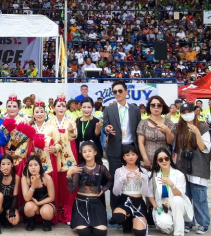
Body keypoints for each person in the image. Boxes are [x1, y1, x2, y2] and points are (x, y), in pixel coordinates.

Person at [103, 80, 141, 212]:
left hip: (130, 148)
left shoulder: (135, 109)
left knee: (131, 179)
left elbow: (138, 129)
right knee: (115, 180)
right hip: (114, 149)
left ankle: (131, 208)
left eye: (120, 91)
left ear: (126, 92)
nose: (117, 94)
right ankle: (116, 210)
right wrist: (107, 129)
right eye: (115, 92)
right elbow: (104, 127)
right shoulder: (108, 109)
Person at [173, 102, 211, 234]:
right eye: (183, 113)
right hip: (183, 167)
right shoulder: (180, 127)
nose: (186, 115)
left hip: (198, 167)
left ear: (194, 112)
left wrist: (197, 133)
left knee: (200, 198)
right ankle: (189, 222)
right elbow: (177, 149)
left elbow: (204, 148)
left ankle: (203, 223)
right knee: (186, 197)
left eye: (188, 112)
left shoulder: (203, 128)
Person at [66, 141, 112, 236]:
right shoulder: (79, 168)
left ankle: (93, 224)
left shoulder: (101, 168)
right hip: (81, 203)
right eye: (84, 152)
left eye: (89, 151)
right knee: (84, 234)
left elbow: (110, 180)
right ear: (82, 154)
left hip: (96, 203)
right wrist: (69, 175)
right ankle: (86, 224)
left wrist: (103, 189)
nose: (87, 153)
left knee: (101, 234)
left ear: (95, 152)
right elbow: (71, 190)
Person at [44, 94, 77, 224]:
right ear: (54, 107)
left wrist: (70, 131)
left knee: (68, 186)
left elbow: (74, 136)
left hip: (68, 155)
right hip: (54, 156)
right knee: (56, 186)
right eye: (59, 105)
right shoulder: (49, 122)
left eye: (63, 105)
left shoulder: (71, 120)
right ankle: (55, 212)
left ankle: (68, 214)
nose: (61, 108)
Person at [149, 147, 194, 236]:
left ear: (170, 159)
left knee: (176, 200)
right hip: (162, 206)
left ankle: (179, 233)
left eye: (166, 158)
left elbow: (180, 194)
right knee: (165, 226)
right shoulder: (154, 175)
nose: (164, 161)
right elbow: (149, 194)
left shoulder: (179, 174)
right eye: (160, 160)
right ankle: (171, 223)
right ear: (157, 162)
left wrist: (171, 185)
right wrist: (156, 206)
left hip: (178, 204)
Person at [110, 144, 151, 236]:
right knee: (118, 217)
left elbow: (145, 193)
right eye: (127, 155)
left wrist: (144, 180)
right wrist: (122, 179)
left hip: (139, 202)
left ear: (137, 156)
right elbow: (115, 192)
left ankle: (132, 219)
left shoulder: (143, 171)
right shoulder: (119, 171)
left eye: (133, 154)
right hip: (124, 201)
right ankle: (127, 218)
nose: (131, 157)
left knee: (140, 233)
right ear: (123, 157)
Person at [137, 95, 176, 166]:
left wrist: (167, 131)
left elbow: (170, 142)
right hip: (147, 160)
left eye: (159, 105)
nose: (156, 107)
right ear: (149, 107)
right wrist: (145, 159)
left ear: (162, 107)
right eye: (153, 105)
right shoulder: (143, 123)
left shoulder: (169, 123)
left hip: (164, 160)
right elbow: (140, 143)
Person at [21, 155, 55, 231]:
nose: (33, 167)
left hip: (46, 202)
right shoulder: (24, 178)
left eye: (36, 165)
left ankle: (47, 223)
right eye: (30, 165)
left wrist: (39, 203)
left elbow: (51, 197)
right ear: (27, 167)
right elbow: (26, 198)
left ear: (40, 166)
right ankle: (31, 222)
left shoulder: (47, 178)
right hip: (32, 203)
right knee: (28, 207)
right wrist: (33, 185)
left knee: (46, 211)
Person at [0, 154, 20, 234]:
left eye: (8, 164)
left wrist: (11, 211)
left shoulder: (16, 177)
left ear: (12, 165)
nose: (6, 167)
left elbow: (15, 196)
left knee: (15, 221)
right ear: (0, 165)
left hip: (9, 203)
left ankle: (5, 218)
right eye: (3, 164)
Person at [75, 97, 102, 164]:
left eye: (89, 107)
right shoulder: (77, 121)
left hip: (93, 153)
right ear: (81, 107)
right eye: (84, 107)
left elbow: (97, 135)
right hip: (80, 153)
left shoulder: (96, 120)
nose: (86, 110)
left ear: (92, 108)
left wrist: (98, 127)